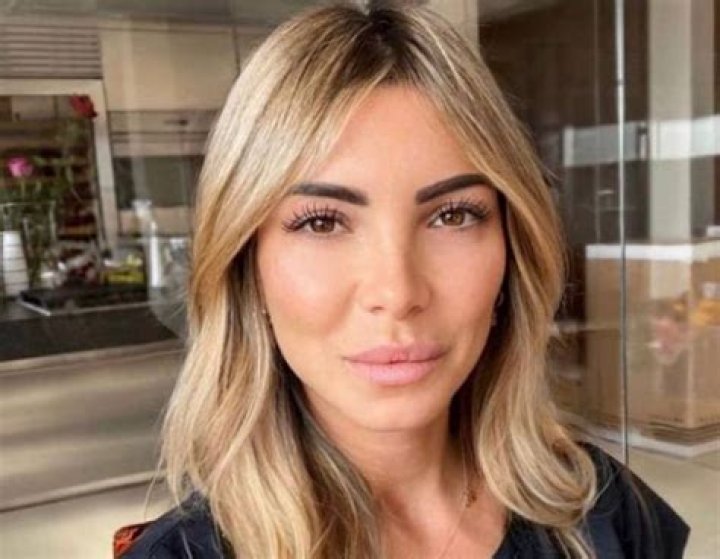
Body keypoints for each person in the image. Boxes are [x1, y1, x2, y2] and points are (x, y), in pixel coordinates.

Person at [118, 2, 689, 558]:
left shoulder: (604, 511)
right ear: (248, 268)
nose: (397, 293)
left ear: (512, 250)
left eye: (453, 215)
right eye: (322, 222)